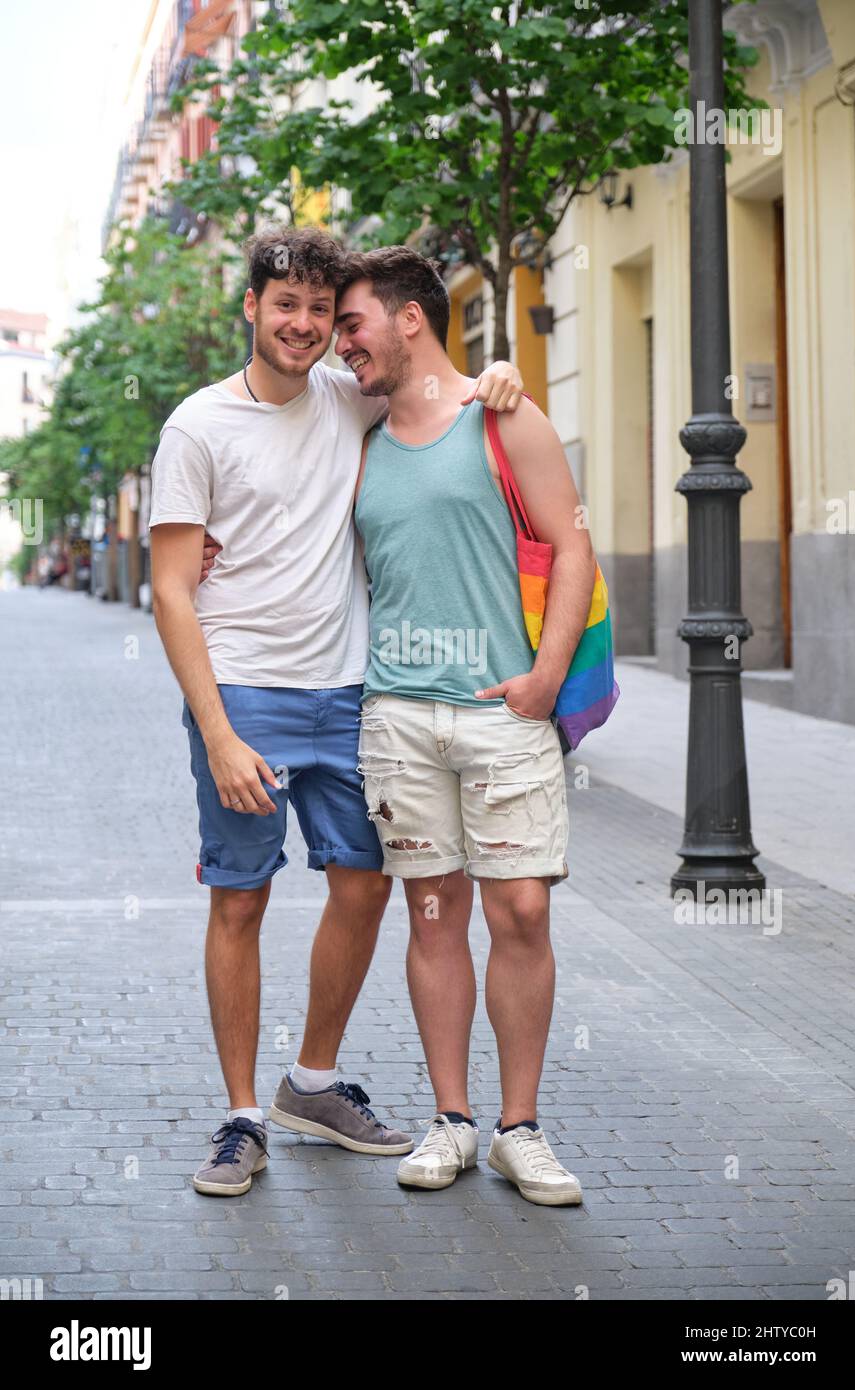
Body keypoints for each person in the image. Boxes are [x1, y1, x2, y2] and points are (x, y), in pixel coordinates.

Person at [149, 226, 523, 1196]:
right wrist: (221, 730)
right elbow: (171, 590)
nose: (307, 326)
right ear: (251, 308)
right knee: (241, 898)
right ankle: (240, 1118)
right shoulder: (196, 427)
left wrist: (498, 374)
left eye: (321, 310)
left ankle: (310, 1080)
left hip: (348, 690)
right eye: (288, 306)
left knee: (364, 882)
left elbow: (428, 386)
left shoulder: (347, 398)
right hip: (244, 695)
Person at [336, 246, 596, 1205]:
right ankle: (453, 1120)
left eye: (354, 322)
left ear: (411, 318)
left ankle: (519, 1129)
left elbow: (573, 542)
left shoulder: (504, 416)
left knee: (521, 910)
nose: (340, 342)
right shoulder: (351, 428)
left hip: (501, 710)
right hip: (398, 717)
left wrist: (546, 677)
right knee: (433, 913)